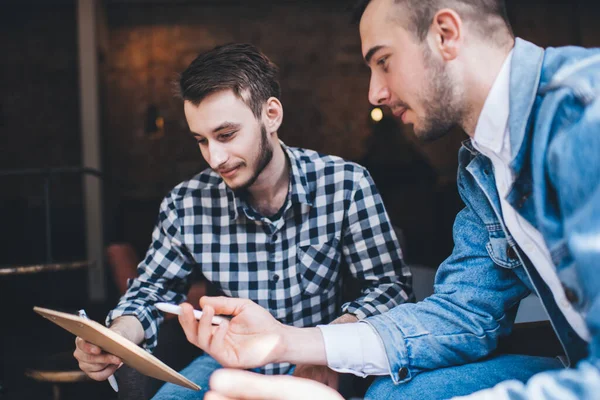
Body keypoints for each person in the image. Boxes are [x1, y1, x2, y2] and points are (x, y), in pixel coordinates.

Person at [181, 1, 600, 399]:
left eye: (383, 62)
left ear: (446, 34)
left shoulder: (583, 113)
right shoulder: (481, 166)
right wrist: (286, 342)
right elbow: (463, 313)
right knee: (392, 393)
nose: (374, 94)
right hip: (576, 361)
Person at [73, 42, 413, 399]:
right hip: (228, 359)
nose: (215, 158)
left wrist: (326, 347)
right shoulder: (187, 203)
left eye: (226, 135)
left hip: (321, 360)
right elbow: (150, 291)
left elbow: (391, 288)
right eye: (201, 141)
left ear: (271, 114)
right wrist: (116, 338)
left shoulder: (345, 183)